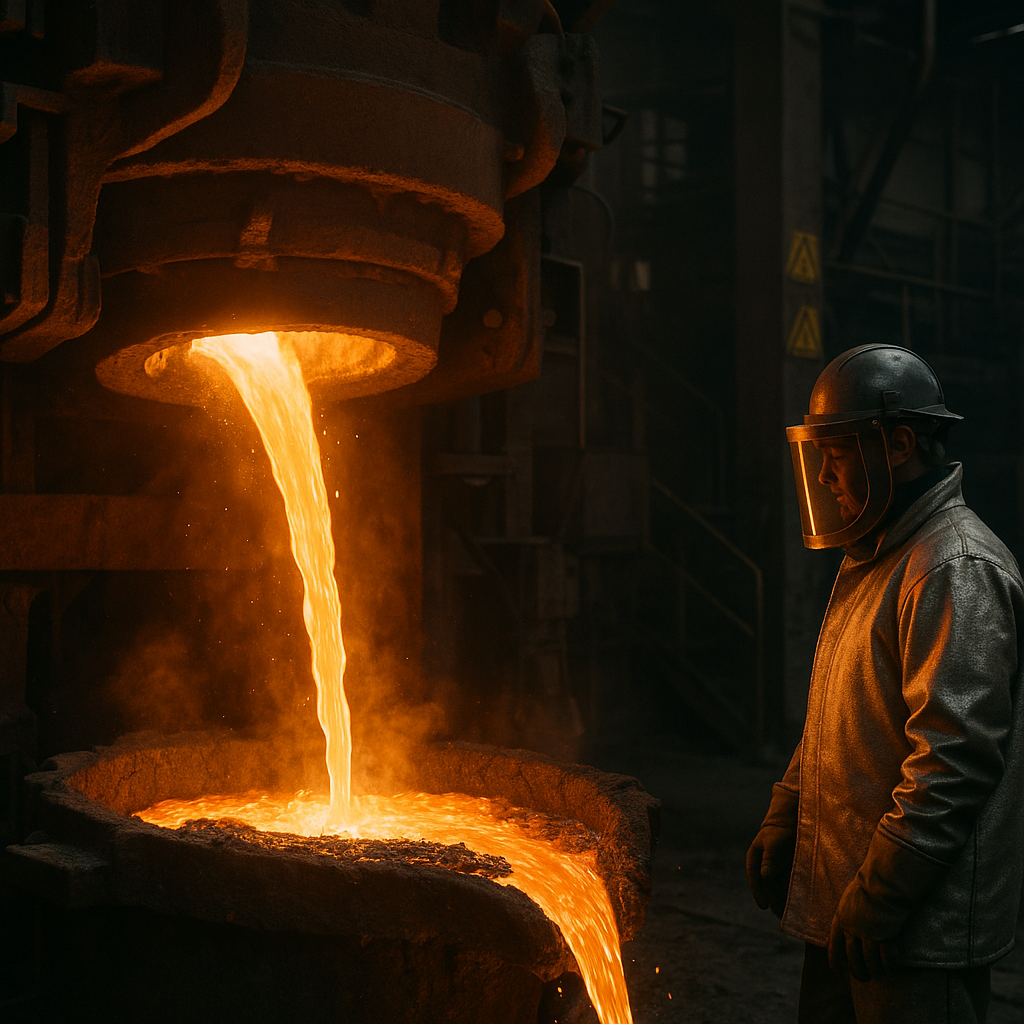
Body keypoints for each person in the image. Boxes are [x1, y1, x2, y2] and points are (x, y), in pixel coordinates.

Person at [746, 344, 1024, 1024]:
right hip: (852, 914)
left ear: (898, 444)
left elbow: (953, 762)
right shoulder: (878, 552)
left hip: (912, 935)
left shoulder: (952, 566)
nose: (827, 477)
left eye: (837, 453)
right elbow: (839, 713)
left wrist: (882, 897)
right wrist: (790, 807)